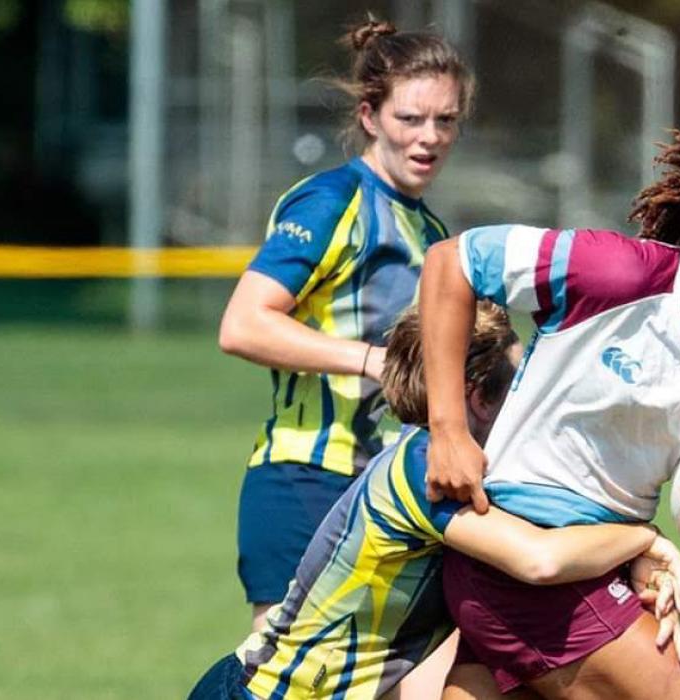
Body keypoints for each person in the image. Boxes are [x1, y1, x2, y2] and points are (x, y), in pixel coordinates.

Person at [418, 132, 680, 698]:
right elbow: (452, 262)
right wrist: (448, 430)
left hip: (601, 566)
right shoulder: (615, 276)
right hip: (514, 554)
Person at [190, 302, 680, 700]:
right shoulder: (425, 464)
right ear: (476, 395)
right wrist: (643, 538)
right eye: (516, 382)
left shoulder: (454, 461)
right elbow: (539, 559)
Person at [216, 18, 473, 634]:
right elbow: (243, 324)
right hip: (306, 478)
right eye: (410, 119)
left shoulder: (433, 234)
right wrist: (371, 359)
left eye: (445, 120)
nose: (429, 137)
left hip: (389, 490)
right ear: (369, 117)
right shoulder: (333, 203)